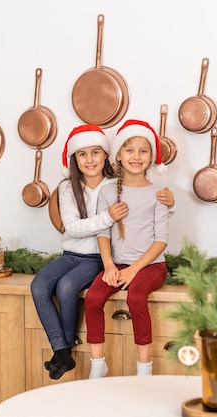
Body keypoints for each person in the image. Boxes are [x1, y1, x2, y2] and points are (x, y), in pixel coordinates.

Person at [30, 124, 174, 380]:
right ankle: (62, 350)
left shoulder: (115, 184)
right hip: (77, 255)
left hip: (100, 257)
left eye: (95, 152)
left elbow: (147, 218)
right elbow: (74, 228)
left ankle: (133, 364)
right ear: (74, 159)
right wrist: (107, 218)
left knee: (66, 288)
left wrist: (169, 204)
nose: (89, 159)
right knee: (39, 285)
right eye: (82, 154)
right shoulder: (69, 188)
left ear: (107, 154)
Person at [85, 119, 170, 379]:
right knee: (92, 298)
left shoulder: (159, 193)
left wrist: (134, 269)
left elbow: (161, 240)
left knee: (135, 297)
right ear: (119, 156)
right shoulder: (108, 191)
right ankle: (98, 363)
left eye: (143, 151)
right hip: (118, 265)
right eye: (130, 150)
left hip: (151, 266)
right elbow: (103, 232)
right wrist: (109, 266)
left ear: (152, 157)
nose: (136, 156)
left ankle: (144, 368)